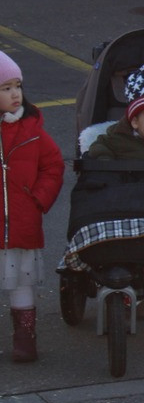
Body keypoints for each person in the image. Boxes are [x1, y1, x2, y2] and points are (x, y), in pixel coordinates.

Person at [0, 50, 64, 362]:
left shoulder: (31, 130)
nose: (15, 94)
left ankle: (25, 338)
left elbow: (53, 166)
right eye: (6, 88)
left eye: (18, 86)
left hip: (23, 221)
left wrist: (38, 198)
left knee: (21, 284)